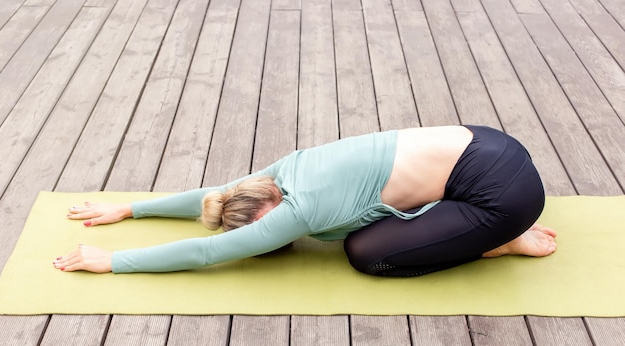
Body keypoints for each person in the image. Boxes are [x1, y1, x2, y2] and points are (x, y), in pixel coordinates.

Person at [53, 125, 557, 276]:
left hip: (505, 196)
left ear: (266, 215)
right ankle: (479, 224)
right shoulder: (282, 170)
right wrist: (129, 209)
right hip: (491, 142)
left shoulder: (297, 212)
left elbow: (207, 253)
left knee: (367, 254)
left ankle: (501, 241)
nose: (268, 242)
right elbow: (213, 197)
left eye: (260, 235)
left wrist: (113, 261)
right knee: (366, 230)